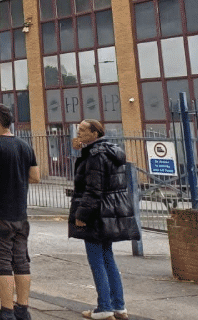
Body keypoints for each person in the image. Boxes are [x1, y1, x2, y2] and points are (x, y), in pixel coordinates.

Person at [69, 119, 140, 320]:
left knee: (97, 260)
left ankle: (104, 308)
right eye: (79, 130)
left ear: (95, 133)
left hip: (96, 214)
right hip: (110, 212)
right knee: (108, 258)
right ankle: (118, 306)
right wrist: (82, 150)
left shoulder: (95, 155)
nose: (79, 133)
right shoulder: (110, 151)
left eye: (83, 130)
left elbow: (93, 189)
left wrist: (81, 215)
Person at [0, 104, 40, 320]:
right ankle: (22, 310)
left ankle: (7, 312)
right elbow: (35, 177)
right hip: (20, 216)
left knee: (2, 261)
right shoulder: (24, 145)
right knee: (21, 261)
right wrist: (15, 173)